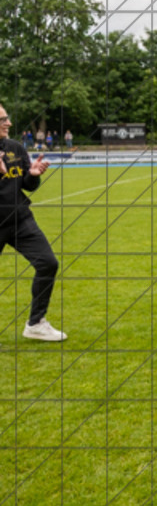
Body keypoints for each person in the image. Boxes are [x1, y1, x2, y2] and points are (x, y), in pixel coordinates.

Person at [0, 106, 64, 341]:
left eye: (7, 118)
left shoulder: (14, 147)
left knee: (48, 263)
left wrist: (33, 175)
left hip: (19, 220)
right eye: (2, 119)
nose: (8, 123)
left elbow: (25, 184)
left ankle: (36, 323)